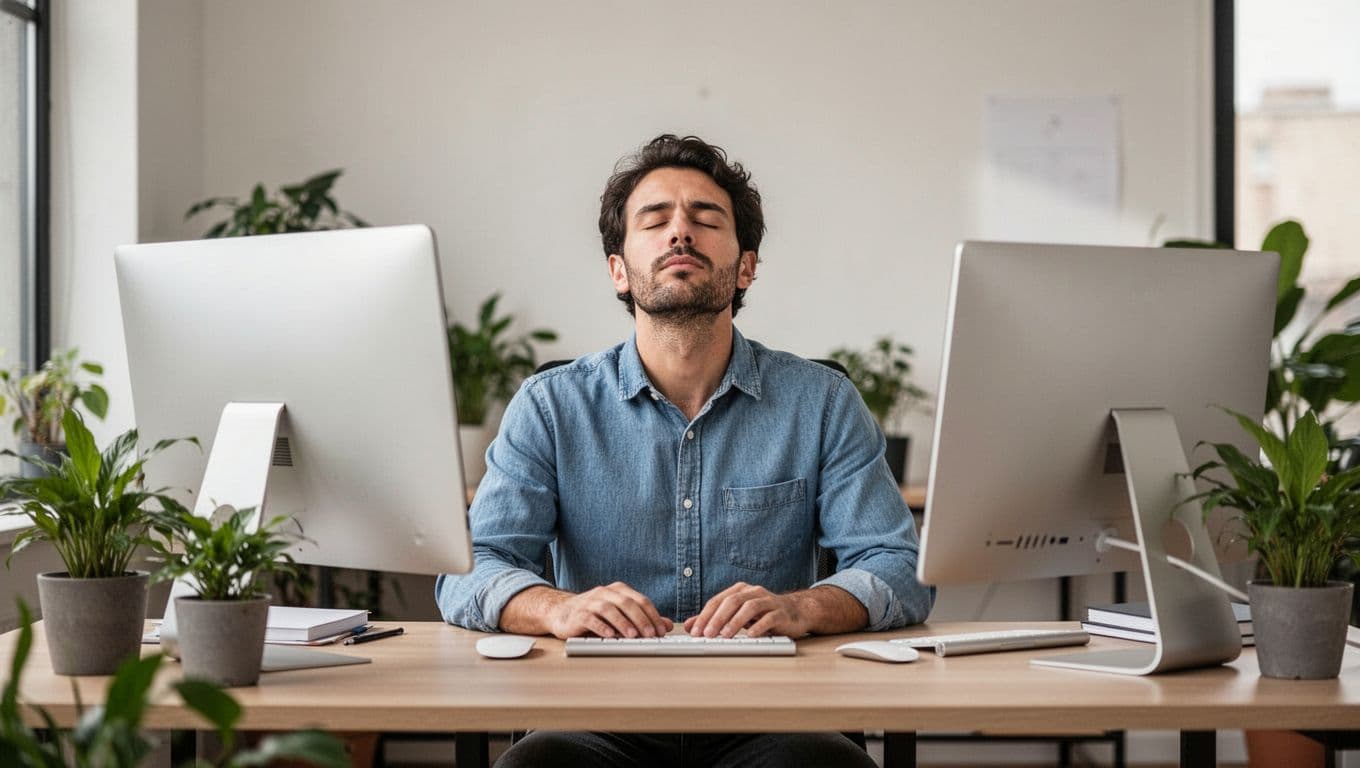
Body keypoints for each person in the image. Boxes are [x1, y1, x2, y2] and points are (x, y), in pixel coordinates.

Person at [436, 134, 934, 767]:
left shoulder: (823, 402)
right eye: (655, 219)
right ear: (619, 268)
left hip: (775, 721)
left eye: (705, 219)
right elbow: (470, 567)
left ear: (746, 265)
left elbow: (898, 567)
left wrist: (801, 607)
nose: (680, 233)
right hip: (592, 721)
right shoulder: (550, 407)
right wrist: (558, 609)